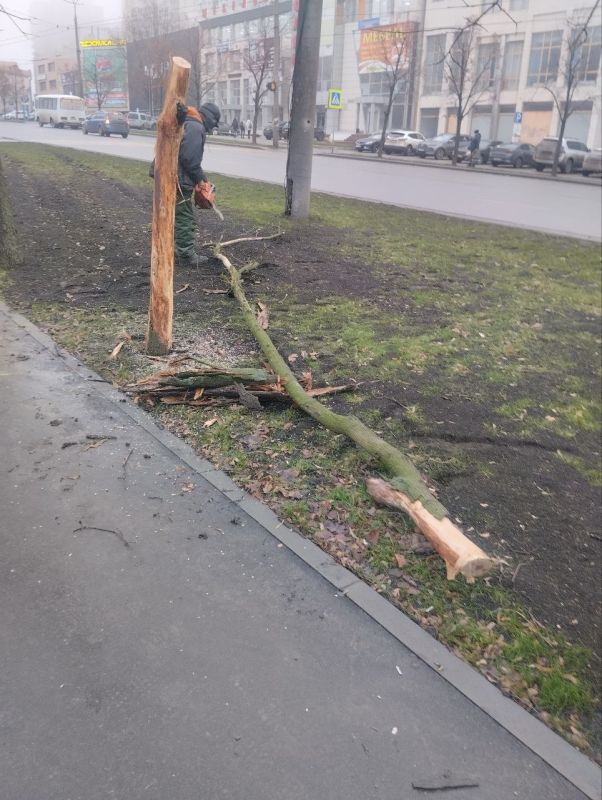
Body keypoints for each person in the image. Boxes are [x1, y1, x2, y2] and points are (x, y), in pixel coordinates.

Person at [174, 102, 221, 265]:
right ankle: (185, 255)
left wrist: (203, 179)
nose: (211, 129)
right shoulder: (195, 127)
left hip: (172, 175)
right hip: (179, 179)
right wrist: (200, 180)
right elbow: (189, 158)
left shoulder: (188, 122)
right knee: (184, 217)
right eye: (213, 124)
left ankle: (172, 249)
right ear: (209, 118)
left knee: (173, 215)